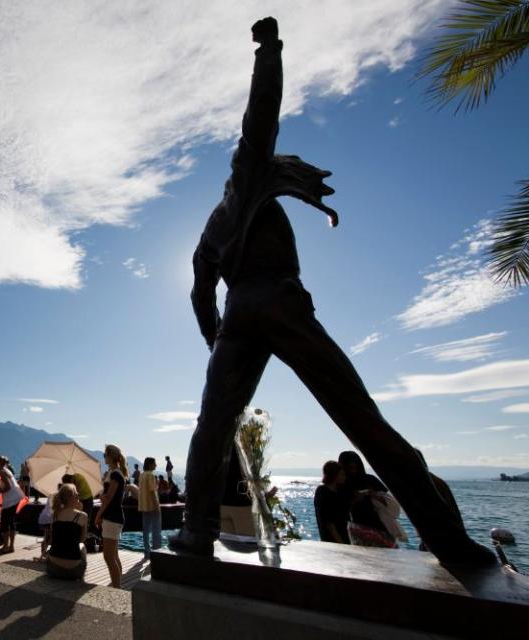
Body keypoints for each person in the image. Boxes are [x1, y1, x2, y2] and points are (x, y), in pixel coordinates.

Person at [172, 17, 495, 567]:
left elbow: (201, 294)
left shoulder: (212, 226)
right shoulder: (248, 178)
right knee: (359, 416)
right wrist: (269, 51)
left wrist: (216, 341)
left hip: (237, 319)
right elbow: (260, 116)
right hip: (279, 303)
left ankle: (197, 531)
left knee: (214, 425)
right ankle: (446, 539)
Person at [338, 451, 395, 548]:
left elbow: (390, 502)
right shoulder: (342, 484)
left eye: (355, 468)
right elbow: (340, 511)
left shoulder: (370, 479)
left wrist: (374, 495)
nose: (353, 471)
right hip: (360, 529)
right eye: (349, 468)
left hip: (379, 527)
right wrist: (354, 500)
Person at [95, 444, 127, 587]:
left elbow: (108, 498)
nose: (104, 458)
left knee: (108, 556)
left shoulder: (115, 474)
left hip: (112, 517)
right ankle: (118, 586)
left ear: (110, 456)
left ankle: (116, 588)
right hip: (114, 517)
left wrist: (98, 515)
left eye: (105, 455)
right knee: (114, 555)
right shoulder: (115, 473)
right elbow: (109, 498)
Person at [46, 483, 88, 580]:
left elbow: (54, 538)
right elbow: (82, 539)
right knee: (83, 547)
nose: (79, 497)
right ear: (72, 497)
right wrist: (79, 511)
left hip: (53, 568)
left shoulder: (55, 514)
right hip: (74, 571)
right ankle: (81, 580)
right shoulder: (83, 516)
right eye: (77, 494)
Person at [0, 455, 24, 555]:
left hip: (10, 499)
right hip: (16, 497)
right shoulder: (7, 470)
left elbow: (8, 487)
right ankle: (11, 547)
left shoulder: (2, 471)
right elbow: (9, 484)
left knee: (4, 523)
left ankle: (5, 547)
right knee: (11, 522)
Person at [314, 460, 349, 544]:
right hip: (332, 539)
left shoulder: (339, 491)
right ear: (334, 475)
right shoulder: (322, 491)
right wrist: (341, 543)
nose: (345, 477)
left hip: (343, 535)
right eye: (342, 475)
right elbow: (329, 523)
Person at [138, 457, 162, 558]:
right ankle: (157, 552)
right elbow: (152, 492)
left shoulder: (142, 475)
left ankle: (147, 552)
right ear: (150, 464)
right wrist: (157, 506)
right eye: (154, 463)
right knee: (156, 530)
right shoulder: (151, 475)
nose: (156, 465)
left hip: (144, 506)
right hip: (152, 506)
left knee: (146, 531)